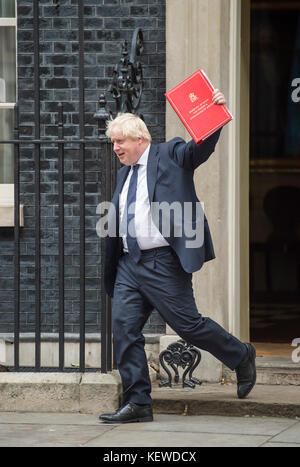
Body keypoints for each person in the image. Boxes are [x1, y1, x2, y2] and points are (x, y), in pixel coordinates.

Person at [99, 89, 256, 424]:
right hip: (129, 263)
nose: (116, 149)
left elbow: (200, 147)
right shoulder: (124, 173)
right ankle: (138, 401)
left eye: (120, 142)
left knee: (189, 326)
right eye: (113, 143)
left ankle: (240, 354)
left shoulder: (170, 153)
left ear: (139, 138)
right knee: (124, 330)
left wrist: (214, 114)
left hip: (163, 262)